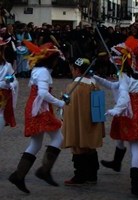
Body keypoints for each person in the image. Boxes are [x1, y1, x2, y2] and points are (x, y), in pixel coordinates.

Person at [93, 36, 138, 198]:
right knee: (136, 148)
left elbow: (123, 96)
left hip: (128, 113)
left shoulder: (125, 77)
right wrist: (98, 78)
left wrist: (117, 109)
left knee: (135, 148)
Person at [8, 40, 66, 193]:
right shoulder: (44, 72)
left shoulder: (38, 70)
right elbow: (42, 93)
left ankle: (19, 175)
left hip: (36, 107)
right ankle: (44, 170)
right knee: (58, 138)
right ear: (50, 60)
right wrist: (59, 103)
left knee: (36, 143)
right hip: (39, 109)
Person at [62, 57, 105, 185]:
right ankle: (92, 175)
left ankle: (80, 175)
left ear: (77, 70)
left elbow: (68, 111)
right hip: (91, 123)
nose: (72, 72)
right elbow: (99, 109)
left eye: (73, 69)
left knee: (78, 147)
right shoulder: (94, 85)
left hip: (78, 124)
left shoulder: (72, 87)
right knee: (90, 147)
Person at [0, 37, 18, 134]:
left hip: (2, 97)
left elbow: (14, 80)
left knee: (1, 116)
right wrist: (2, 83)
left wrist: (11, 82)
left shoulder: (7, 66)